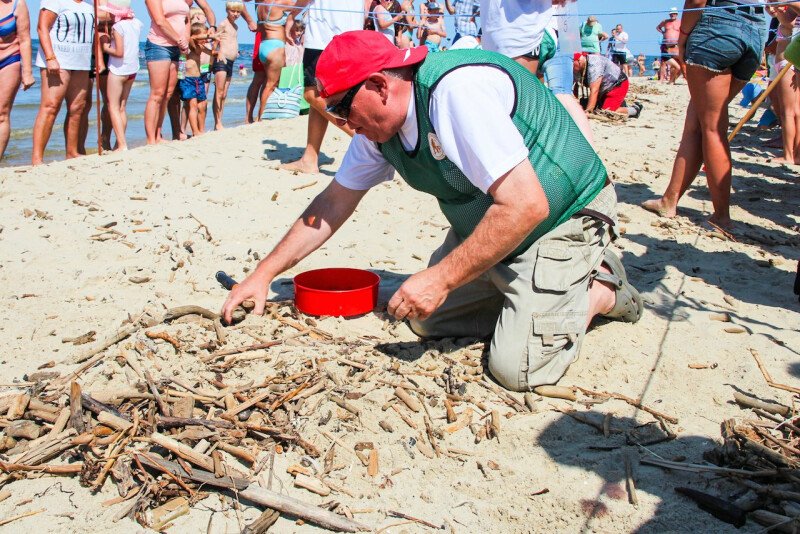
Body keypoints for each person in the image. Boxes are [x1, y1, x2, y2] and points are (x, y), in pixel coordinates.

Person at [221, 30, 643, 392]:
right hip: (497, 224)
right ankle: (527, 291)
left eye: (343, 110)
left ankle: (600, 289)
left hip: (564, 216)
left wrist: (441, 278)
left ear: (378, 85)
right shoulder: (377, 129)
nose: (343, 124)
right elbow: (332, 203)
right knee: (424, 320)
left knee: (517, 369)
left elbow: (526, 205)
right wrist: (263, 275)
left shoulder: (455, 94)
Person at [642, 0, 768, 236]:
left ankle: (722, 216)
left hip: (717, 26)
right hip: (756, 28)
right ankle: (670, 200)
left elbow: (697, 1)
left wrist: (683, 36)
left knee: (712, 126)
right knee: (698, 120)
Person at [480, 0, 594, 144]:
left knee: (518, 103)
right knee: (552, 96)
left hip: (522, 33)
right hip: (526, 32)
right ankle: (588, 155)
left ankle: (587, 155)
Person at [280, 0, 368, 175]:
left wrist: (292, 14)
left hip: (324, 35)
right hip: (351, 32)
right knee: (323, 95)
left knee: (311, 94)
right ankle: (309, 159)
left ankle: (366, 139)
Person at [31, 0, 95, 165]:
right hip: (58, 61)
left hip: (81, 62)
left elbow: (103, 24)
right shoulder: (55, 1)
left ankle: (72, 152)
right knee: (51, 106)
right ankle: (37, 159)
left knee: (77, 108)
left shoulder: (90, 6)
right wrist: (50, 57)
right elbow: (42, 27)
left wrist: (97, 61)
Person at [143, 0, 191, 144]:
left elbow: (186, 19)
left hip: (177, 48)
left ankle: (158, 135)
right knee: (157, 94)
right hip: (159, 45)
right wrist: (179, 39)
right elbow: (159, 20)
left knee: (168, 94)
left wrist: (185, 41)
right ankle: (151, 139)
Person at [98, 0, 142, 151]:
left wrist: (104, 46)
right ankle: (119, 143)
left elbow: (119, 52)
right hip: (132, 70)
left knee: (113, 107)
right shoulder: (136, 23)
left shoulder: (117, 26)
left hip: (118, 70)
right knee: (122, 107)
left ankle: (122, 144)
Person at [765, 5, 800, 164]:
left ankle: (789, 154)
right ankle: (794, 153)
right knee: (790, 110)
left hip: (788, 61)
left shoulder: (791, 7)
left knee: (790, 112)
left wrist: (779, 7)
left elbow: (789, 23)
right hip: (784, 61)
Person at [0, 0, 34, 161]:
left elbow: (25, 39)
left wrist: (27, 72)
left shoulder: (18, 4)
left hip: (9, 60)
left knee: (2, 113)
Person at [255, 0, 294, 121]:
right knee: (271, 85)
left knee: (268, 83)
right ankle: (261, 117)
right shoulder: (281, 2)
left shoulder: (260, 4)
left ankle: (261, 114)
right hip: (275, 46)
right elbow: (301, 4)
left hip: (264, 45)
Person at [574, 52, 642, 118]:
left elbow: (594, 90)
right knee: (587, 106)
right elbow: (574, 86)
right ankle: (619, 103)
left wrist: (588, 112)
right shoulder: (577, 68)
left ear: (579, 61)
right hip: (603, 90)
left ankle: (635, 110)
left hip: (618, 85)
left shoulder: (594, 64)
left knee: (606, 111)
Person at [211, 1, 243, 130]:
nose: (235, 14)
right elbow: (214, 41)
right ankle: (217, 122)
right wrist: (216, 52)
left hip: (231, 61)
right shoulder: (223, 24)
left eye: (238, 12)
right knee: (218, 91)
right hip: (222, 60)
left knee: (224, 94)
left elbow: (232, 41)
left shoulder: (235, 27)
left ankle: (220, 120)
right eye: (233, 11)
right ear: (227, 10)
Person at [180, 22, 215, 135]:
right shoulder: (191, 44)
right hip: (188, 79)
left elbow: (212, 52)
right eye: (203, 36)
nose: (205, 39)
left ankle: (201, 129)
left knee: (203, 104)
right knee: (193, 105)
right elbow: (192, 37)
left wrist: (217, 42)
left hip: (198, 79)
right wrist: (210, 36)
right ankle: (195, 131)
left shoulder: (201, 46)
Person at [656, 7, 683, 83]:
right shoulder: (665, 21)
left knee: (678, 63)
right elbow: (658, 27)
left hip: (675, 46)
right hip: (666, 45)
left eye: (674, 13)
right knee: (663, 62)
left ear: (677, 14)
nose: (672, 15)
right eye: (671, 13)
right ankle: (661, 80)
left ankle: (672, 80)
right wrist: (663, 32)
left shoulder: (680, 22)